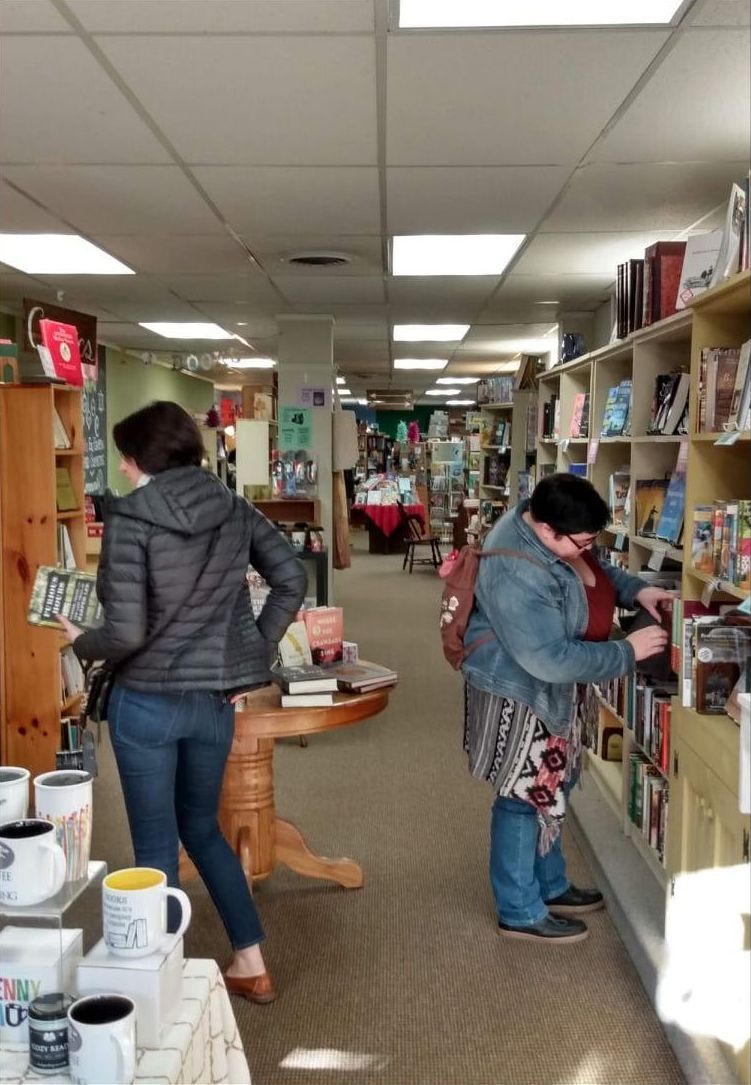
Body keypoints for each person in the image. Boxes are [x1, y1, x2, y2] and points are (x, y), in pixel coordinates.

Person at [59, 401, 307, 1002]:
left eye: (124, 455)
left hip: (146, 701)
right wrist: (253, 645)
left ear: (142, 458)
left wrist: (80, 640)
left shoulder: (131, 518)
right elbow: (291, 578)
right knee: (203, 829)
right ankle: (251, 962)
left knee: (152, 845)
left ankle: (161, 987)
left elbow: (126, 634)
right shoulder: (235, 507)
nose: (120, 467)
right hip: (214, 702)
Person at [462, 473, 672, 944]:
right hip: (521, 691)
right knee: (523, 797)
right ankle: (518, 910)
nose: (589, 547)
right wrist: (627, 652)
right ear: (547, 531)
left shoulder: (556, 531)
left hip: (549, 689)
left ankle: (551, 885)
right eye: (583, 540)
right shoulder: (516, 572)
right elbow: (549, 659)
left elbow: (592, 572)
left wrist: (635, 589)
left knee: (553, 784)